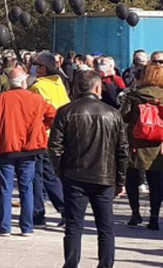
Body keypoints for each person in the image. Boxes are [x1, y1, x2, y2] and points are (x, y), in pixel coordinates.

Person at [48, 70, 128, 268]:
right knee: (106, 227)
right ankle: (106, 265)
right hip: (104, 177)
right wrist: (120, 180)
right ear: (97, 87)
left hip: (75, 176)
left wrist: (62, 171)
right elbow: (122, 150)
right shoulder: (112, 113)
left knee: (74, 227)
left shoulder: (66, 111)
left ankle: (71, 264)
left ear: (76, 88)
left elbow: (54, 147)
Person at [0, 65, 56, 237]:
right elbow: (53, 116)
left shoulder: (0, 99)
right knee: (26, 188)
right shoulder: (36, 99)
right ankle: (27, 226)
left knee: (6, 188)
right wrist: (40, 128)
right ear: (24, 81)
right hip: (29, 148)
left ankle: (4, 225)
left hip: (5, 147)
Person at [120, 53, 163, 230]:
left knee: (132, 179)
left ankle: (135, 213)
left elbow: (123, 116)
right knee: (156, 183)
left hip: (136, 143)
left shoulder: (134, 95)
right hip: (158, 145)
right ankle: (154, 217)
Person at [28, 52, 69, 227]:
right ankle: (65, 210)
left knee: (37, 176)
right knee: (51, 175)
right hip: (58, 136)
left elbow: (31, 112)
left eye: (36, 65)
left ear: (43, 68)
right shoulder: (59, 84)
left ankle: (38, 213)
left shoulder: (38, 87)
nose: (34, 68)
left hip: (41, 136)